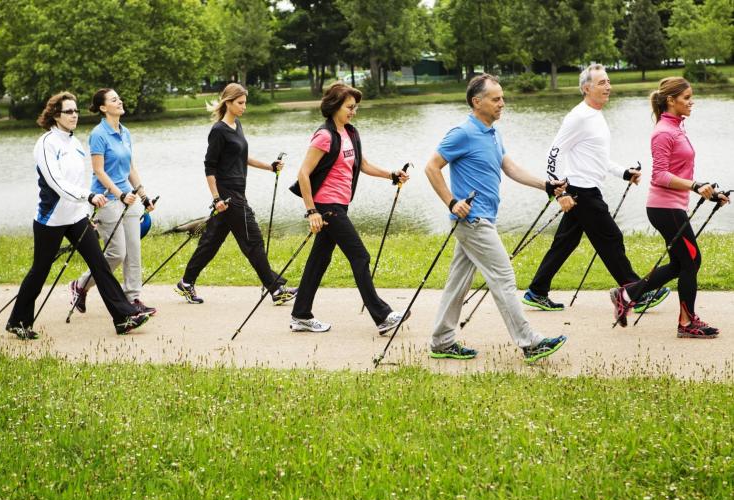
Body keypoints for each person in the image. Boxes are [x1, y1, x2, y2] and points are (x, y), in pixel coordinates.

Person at [425, 74, 567, 363]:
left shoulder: (492, 133)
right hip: (473, 220)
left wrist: (545, 185)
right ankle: (529, 342)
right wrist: (452, 202)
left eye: (502, 98)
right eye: (496, 99)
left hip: (483, 218)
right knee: (503, 277)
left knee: (458, 282)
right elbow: (431, 167)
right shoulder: (463, 133)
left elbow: (510, 168)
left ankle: (441, 341)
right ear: (477, 102)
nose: (502, 103)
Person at [522, 63, 670, 312]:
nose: (608, 86)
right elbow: (553, 153)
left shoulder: (595, 115)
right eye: (602, 83)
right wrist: (561, 193)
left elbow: (598, 159)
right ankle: (635, 292)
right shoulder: (578, 117)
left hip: (585, 189)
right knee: (611, 238)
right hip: (581, 192)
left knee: (564, 243)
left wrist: (624, 173)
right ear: (586, 88)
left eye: (608, 81)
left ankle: (536, 291)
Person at [6, 91, 150, 339]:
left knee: (100, 265)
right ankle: (18, 321)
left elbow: (77, 180)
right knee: (40, 270)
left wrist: (86, 213)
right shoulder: (46, 143)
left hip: (76, 218)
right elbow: (57, 183)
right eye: (68, 112)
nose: (74, 115)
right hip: (51, 219)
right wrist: (89, 196)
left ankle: (124, 317)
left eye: (76, 111)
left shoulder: (74, 143)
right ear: (55, 115)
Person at [289, 82, 411, 335]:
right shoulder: (324, 136)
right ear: (335, 106)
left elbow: (362, 164)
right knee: (360, 256)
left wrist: (391, 174)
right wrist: (312, 211)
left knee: (319, 260)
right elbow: (303, 173)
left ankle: (301, 315)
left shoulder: (350, 133)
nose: (353, 111)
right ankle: (383, 315)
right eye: (349, 107)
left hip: (340, 205)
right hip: (328, 206)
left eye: (355, 107)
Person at [609, 77, 728, 333]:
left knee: (680, 264)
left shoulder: (677, 128)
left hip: (673, 206)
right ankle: (687, 322)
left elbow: (680, 171)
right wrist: (695, 185)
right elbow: (660, 176)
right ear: (671, 101)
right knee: (692, 260)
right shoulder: (663, 132)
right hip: (664, 208)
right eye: (686, 98)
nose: (691, 102)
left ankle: (627, 295)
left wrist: (710, 193)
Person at [174, 83, 297, 305]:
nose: (244, 107)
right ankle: (276, 289)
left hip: (237, 191)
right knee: (253, 239)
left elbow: (242, 156)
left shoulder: (236, 125)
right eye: (240, 103)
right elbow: (209, 167)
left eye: (245, 103)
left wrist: (270, 167)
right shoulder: (218, 131)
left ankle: (186, 282)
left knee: (211, 242)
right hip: (228, 195)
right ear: (228, 102)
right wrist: (216, 199)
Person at [68, 88, 156, 316]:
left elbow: (130, 169)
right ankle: (80, 285)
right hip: (106, 200)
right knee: (117, 253)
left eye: (119, 98)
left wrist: (144, 196)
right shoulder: (98, 134)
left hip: (129, 199)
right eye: (114, 100)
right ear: (103, 107)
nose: (120, 101)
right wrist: (119, 194)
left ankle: (133, 298)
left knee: (134, 252)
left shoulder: (125, 132)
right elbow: (99, 171)